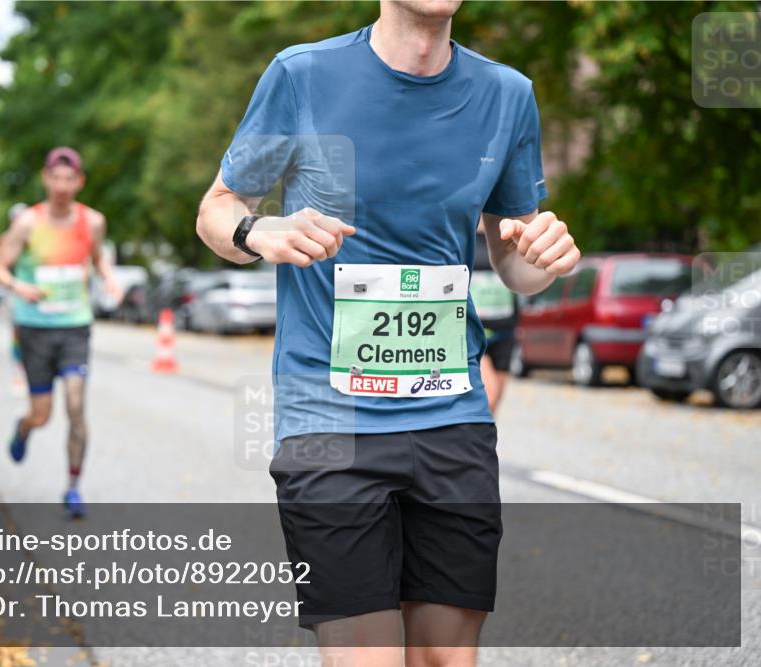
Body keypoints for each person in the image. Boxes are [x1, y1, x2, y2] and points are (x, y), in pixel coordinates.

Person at [196, 2, 580, 665]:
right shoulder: (302, 76)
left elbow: (512, 259)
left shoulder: (506, 95)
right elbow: (217, 208)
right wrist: (260, 232)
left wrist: (540, 259)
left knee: (445, 659)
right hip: (328, 421)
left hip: (452, 415)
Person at [0, 147, 121, 518]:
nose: (62, 186)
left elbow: (97, 257)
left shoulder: (92, 221)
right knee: (42, 414)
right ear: (46, 179)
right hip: (34, 329)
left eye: (69, 179)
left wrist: (108, 277)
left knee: (76, 407)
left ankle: (73, 486)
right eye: (56, 178)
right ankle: (24, 427)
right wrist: (18, 286)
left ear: (79, 182)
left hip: (75, 326)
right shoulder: (28, 223)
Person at [471, 221, 520, 413]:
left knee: (495, 402)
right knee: (488, 396)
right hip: (476, 332)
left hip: (505, 330)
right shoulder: (464, 236)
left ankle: (484, 440)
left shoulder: (506, 233)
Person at [0, 202, 31, 394]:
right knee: (18, 333)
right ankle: (18, 372)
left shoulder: (40, 236)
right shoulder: (7, 238)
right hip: (15, 292)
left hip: (39, 293)